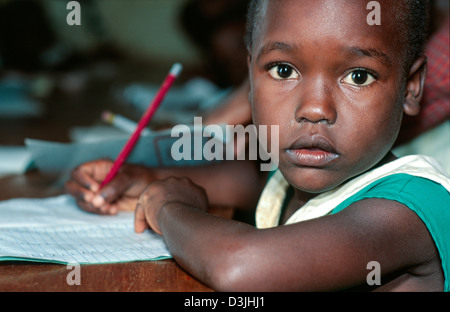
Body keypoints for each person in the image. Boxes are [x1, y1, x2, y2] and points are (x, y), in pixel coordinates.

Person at [66, 0, 450, 291]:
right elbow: (236, 177)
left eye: (359, 75)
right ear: (250, 76)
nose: (315, 109)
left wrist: (167, 207)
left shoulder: (408, 208)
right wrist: (135, 179)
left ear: (411, 87)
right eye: (284, 70)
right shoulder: (287, 175)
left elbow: (239, 267)